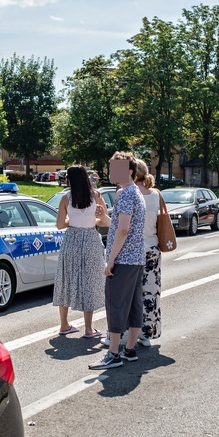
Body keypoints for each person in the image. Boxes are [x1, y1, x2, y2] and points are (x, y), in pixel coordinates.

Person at [89, 152, 146, 370]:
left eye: (116, 168)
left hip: (123, 259)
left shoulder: (124, 194)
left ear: (129, 171)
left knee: (116, 305)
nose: (112, 172)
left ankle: (113, 354)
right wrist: (106, 220)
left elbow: (123, 230)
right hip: (136, 258)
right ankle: (129, 349)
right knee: (134, 305)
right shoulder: (136, 192)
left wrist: (110, 260)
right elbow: (123, 225)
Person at [52, 165, 110, 338]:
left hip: (71, 241)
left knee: (66, 279)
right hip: (91, 240)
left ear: (70, 179)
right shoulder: (97, 196)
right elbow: (104, 221)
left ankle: (64, 325)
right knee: (90, 282)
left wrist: (72, 219)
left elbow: (60, 225)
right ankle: (88, 329)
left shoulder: (65, 197)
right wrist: (89, 218)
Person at [134, 158, 162, 347]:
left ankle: (123, 334)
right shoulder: (156, 194)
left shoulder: (126, 193)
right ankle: (146, 334)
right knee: (150, 293)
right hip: (152, 248)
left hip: (132, 250)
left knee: (128, 294)